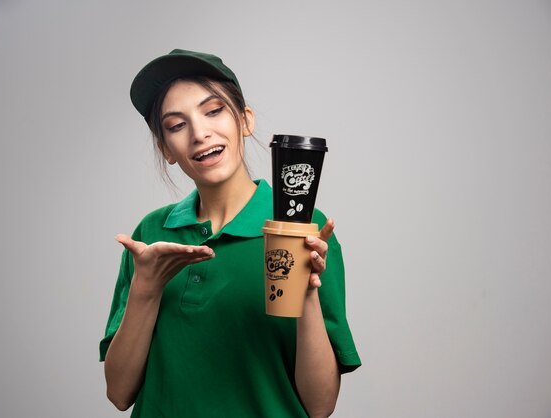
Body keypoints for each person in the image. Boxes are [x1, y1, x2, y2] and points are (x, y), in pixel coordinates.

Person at [99, 49, 361, 418]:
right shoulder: (152, 234)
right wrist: (146, 287)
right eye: (176, 125)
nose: (199, 133)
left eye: (213, 111)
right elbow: (119, 391)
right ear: (166, 149)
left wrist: (305, 294)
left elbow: (320, 407)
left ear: (244, 120)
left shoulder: (304, 229)